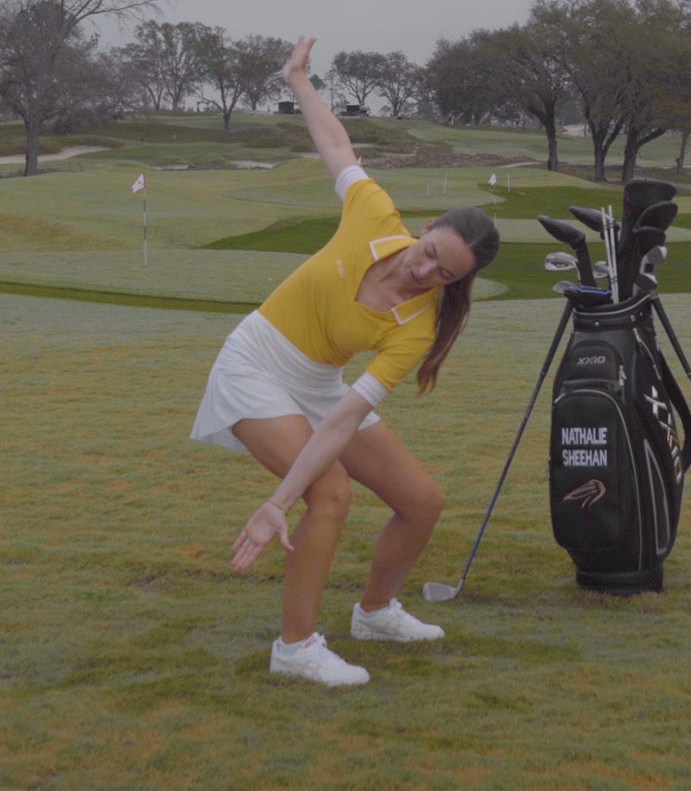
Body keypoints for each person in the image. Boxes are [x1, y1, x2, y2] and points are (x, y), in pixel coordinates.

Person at [192, 36, 500, 688]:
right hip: (255, 363)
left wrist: (276, 501)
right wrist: (299, 81)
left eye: (442, 272)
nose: (423, 270)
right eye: (427, 251)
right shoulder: (374, 213)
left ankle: (375, 611)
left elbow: (341, 421)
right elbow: (337, 146)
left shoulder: (417, 328)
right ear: (423, 230)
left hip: (316, 386)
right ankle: (295, 647)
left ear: (456, 281)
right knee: (329, 497)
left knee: (421, 500)